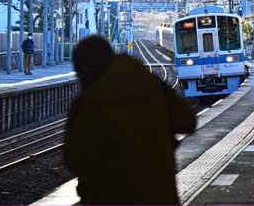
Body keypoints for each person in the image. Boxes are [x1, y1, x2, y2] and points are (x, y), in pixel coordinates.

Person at [63, 35, 196, 205]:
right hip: (160, 194)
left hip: (109, 198)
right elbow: (187, 121)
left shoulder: (89, 100)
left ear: (86, 68)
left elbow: (74, 159)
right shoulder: (149, 83)